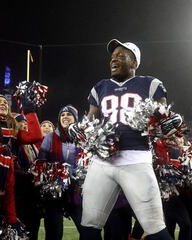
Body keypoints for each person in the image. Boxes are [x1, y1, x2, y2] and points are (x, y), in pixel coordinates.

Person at [76, 39, 174, 240]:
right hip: (102, 162)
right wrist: (83, 132)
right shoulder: (100, 87)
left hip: (136, 158)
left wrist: (169, 121)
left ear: (134, 63)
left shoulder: (150, 84)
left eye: (121, 56)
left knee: (155, 227)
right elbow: (90, 122)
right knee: (89, 225)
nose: (114, 60)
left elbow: (163, 118)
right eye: (112, 57)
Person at [39, 105, 82, 240]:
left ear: (75, 118)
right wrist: (55, 173)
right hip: (54, 193)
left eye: (69, 114)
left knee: (87, 229)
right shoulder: (50, 137)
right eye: (62, 115)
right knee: (54, 232)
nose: (65, 117)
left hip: (77, 191)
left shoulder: (83, 137)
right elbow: (41, 163)